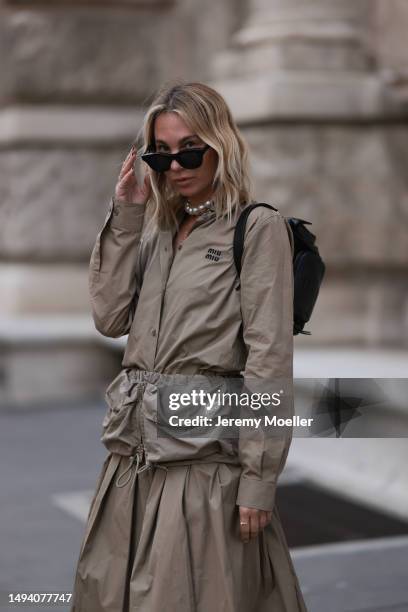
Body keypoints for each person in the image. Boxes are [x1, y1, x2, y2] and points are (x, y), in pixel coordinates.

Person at [70, 80, 308, 612]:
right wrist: (127, 215)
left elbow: (270, 362)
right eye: (161, 155)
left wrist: (258, 482)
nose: (175, 166)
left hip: (200, 472)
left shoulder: (256, 228)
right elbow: (109, 318)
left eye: (190, 151)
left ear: (221, 145)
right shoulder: (155, 232)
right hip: (130, 465)